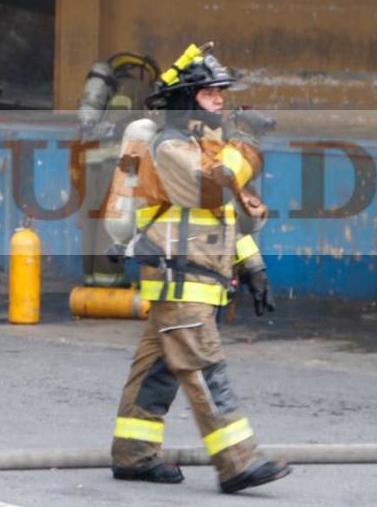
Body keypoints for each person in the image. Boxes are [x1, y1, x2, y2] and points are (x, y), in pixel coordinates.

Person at [108, 46, 290, 494]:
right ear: (186, 100)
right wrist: (246, 140)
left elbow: (224, 215)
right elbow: (216, 189)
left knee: (156, 372)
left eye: (221, 93)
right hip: (181, 279)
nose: (220, 101)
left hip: (194, 280)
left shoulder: (204, 148)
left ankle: (133, 454)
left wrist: (254, 266)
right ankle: (237, 462)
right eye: (210, 94)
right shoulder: (168, 146)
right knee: (205, 370)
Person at [77, 52, 159, 287]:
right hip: (114, 165)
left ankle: (90, 279)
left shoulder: (105, 91)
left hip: (91, 162)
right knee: (111, 221)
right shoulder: (136, 88)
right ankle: (108, 281)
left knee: (91, 221)